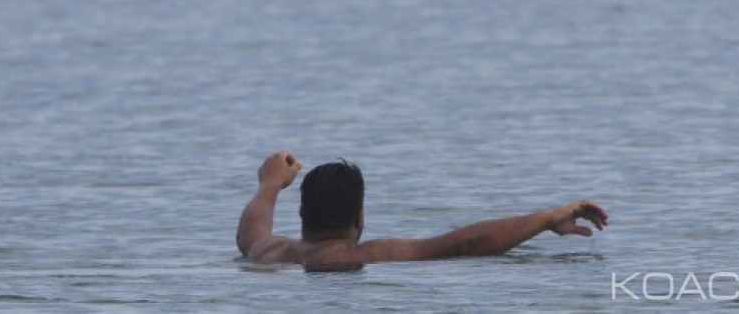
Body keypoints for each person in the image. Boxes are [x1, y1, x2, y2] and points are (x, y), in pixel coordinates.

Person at [237, 151, 609, 270]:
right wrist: (546, 218)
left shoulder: (272, 252)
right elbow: (469, 242)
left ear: (302, 215)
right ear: (359, 217)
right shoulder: (360, 255)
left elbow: (250, 233)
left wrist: (270, 184)